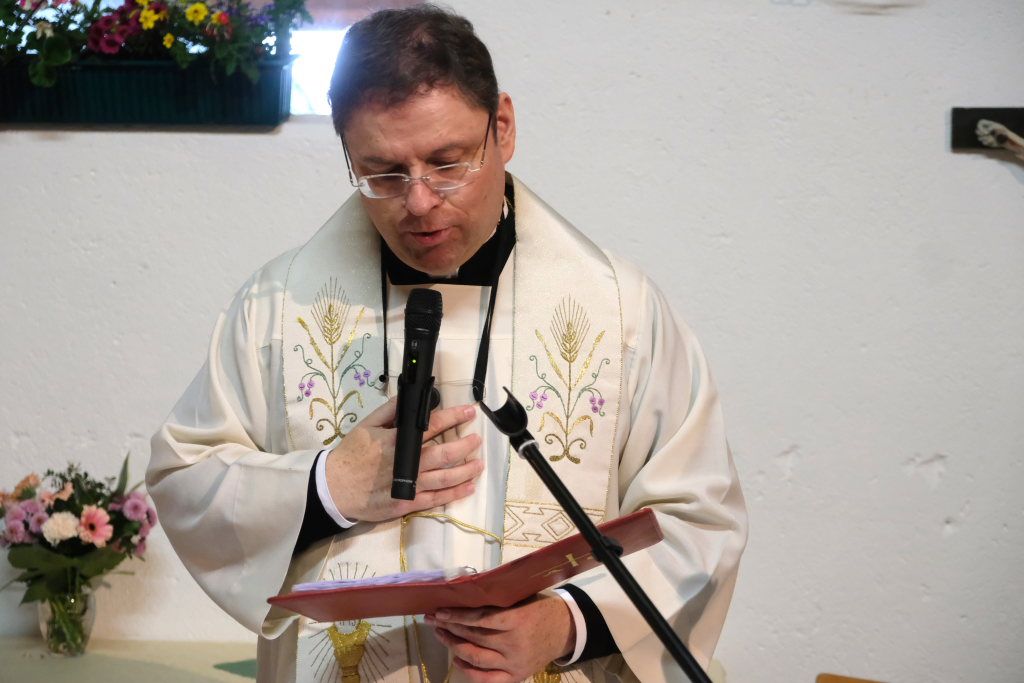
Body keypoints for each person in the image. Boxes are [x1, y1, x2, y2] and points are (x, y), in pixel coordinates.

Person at [147, 5, 747, 683]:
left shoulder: (621, 311)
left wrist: (564, 623)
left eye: (447, 163)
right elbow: (186, 478)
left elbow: (699, 522)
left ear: (503, 128)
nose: (420, 202)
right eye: (383, 172)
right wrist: (325, 486)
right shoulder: (279, 308)